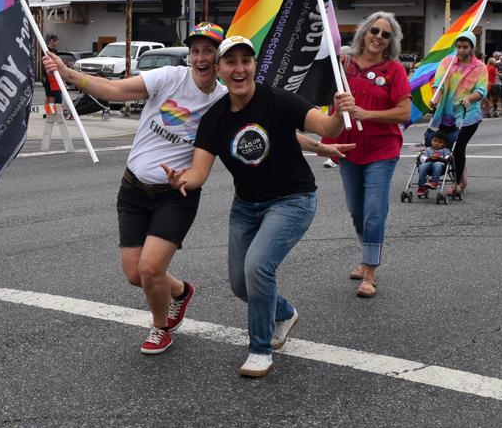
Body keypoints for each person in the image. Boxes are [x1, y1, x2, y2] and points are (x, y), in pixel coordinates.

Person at [163, 35, 355, 378]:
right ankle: (283, 313)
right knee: (240, 284)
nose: (239, 68)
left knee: (258, 268)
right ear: (220, 70)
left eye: (245, 61)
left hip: (292, 200)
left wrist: (338, 114)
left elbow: (326, 127)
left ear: (254, 65)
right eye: (231, 62)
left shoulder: (279, 101)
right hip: (247, 206)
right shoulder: (215, 119)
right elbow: (199, 173)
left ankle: (260, 349)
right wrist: (182, 181)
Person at [43, 22, 229, 355]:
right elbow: (116, 91)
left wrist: (316, 145)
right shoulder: (170, 78)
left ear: (219, 58)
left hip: (176, 195)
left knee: (150, 268)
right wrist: (67, 73)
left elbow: (263, 126)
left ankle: (160, 328)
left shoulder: (223, 100)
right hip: (133, 188)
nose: (201, 58)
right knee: (135, 274)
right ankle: (181, 292)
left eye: (209, 51)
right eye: (196, 51)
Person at [325, 12, 411, 298]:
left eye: (385, 34)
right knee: (357, 211)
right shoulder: (344, 63)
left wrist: (368, 114)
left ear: (390, 42)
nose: (378, 37)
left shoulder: (394, 70)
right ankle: (366, 255)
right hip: (349, 147)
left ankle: (370, 271)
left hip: (382, 150)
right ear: (364, 32)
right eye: (375, 30)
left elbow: (404, 112)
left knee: (374, 211)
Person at [429, 31, 488, 194]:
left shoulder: (480, 67)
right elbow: (438, 83)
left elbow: (482, 90)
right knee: (443, 146)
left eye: (465, 47)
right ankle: (461, 175)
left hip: (467, 115)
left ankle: (457, 185)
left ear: (472, 48)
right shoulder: (447, 62)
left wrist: (470, 98)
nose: (461, 50)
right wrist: (435, 98)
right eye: (459, 46)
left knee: (458, 148)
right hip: (445, 114)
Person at [415, 131, 452, 195]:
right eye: (435, 141)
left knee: (437, 164)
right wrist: (429, 158)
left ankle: (434, 182)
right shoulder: (427, 149)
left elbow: (447, 158)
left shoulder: (446, 150)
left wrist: (440, 158)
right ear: (431, 141)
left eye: (440, 142)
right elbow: (422, 158)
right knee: (422, 166)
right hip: (428, 166)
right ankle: (421, 185)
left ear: (444, 144)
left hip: (440, 167)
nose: (437, 143)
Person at [41, 34, 64, 110]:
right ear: (51, 41)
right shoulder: (45, 50)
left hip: (52, 75)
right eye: (56, 42)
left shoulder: (54, 51)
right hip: (46, 75)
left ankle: (48, 111)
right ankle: (49, 111)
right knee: (50, 95)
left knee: (50, 95)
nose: (57, 44)